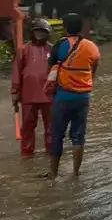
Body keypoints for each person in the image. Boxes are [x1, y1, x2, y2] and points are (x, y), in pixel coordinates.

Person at [45, 13, 100, 179]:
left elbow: (49, 69)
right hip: (83, 98)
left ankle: (53, 173)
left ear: (65, 27)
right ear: (81, 27)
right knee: (78, 136)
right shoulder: (91, 47)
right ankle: (76, 172)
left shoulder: (60, 45)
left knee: (57, 135)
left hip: (62, 97)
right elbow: (94, 68)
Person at [10, 18, 55, 157]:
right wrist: (14, 92)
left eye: (43, 32)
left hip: (49, 95)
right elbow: (17, 71)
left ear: (48, 34)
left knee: (51, 128)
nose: (40, 34)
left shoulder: (52, 49)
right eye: (37, 31)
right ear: (32, 32)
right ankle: (27, 154)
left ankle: (52, 152)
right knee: (27, 128)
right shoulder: (24, 50)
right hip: (28, 95)